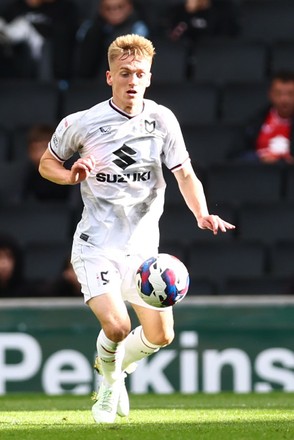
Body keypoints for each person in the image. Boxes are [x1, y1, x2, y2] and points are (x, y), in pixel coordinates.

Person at [39, 33, 235, 423]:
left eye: (139, 74)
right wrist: (70, 175)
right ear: (108, 76)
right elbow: (47, 163)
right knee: (117, 326)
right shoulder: (81, 123)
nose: (132, 80)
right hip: (97, 245)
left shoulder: (162, 120)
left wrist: (202, 212)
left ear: (148, 78)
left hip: (144, 252)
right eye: (124, 72)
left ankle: (114, 372)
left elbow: (185, 174)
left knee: (162, 336)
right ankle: (109, 387)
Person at [0, 0, 79, 80]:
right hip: (16, 62)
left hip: (48, 61)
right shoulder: (17, 6)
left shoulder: (65, 8)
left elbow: (65, 38)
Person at [229, 71, 294, 164]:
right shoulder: (255, 122)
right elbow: (234, 156)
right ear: (271, 94)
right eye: (279, 93)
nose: (284, 99)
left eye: (290, 94)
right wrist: (260, 158)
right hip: (258, 174)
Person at [76, 0, 149, 78]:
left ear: (129, 7)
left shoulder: (138, 31)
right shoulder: (91, 30)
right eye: (108, 8)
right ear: (101, 10)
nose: (114, 11)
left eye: (120, 7)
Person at [22, 124, 72, 202]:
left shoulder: (71, 172)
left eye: (43, 148)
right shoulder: (29, 175)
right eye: (34, 149)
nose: (38, 155)